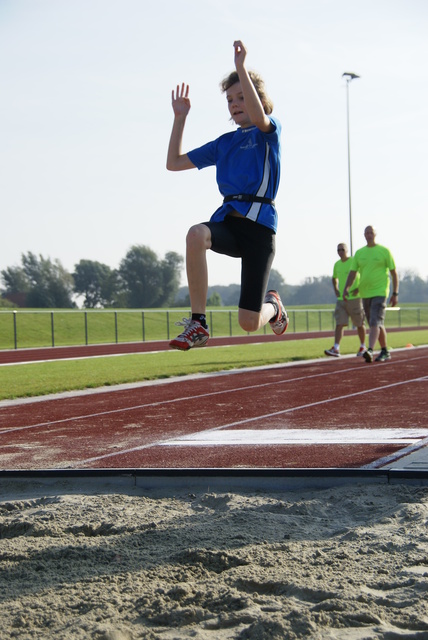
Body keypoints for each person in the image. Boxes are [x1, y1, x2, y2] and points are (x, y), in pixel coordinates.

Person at [166, 40, 288, 351]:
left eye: (241, 97)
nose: (234, 104)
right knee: (196, 234)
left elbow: (261, 118)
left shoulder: (268, 132)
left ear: (257, 100)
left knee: (248, 323)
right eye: (230, 99)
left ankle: (272, 305)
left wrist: (241, 68)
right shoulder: (224, 143)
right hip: (230, 224)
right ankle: (198, 323)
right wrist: (180, 118)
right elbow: (174, 163)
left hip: (259, 230)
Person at [343, 226, 399, 363]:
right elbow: (352, 272)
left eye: (371, 232)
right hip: (365, 293)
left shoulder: (384, 251)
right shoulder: (359, 253)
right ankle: (385, 350)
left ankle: (370, 350)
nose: (368, 235)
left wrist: (395, 293)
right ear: (364, 235)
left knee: (375, 321)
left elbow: (393, 273)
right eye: (366, 233)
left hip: (380, 292)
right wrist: (347, 288)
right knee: (376, 323)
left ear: (375, 234)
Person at [324, 242, 366, 358]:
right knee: (339, 323)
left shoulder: (353, 261)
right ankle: (336, 348)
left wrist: (359, 288)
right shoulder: (337, 264)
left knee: (359, 323)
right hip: (341, 299)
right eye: (338, 250)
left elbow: (363, 275)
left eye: (342, 249)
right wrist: (336, 289)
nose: (340, 252)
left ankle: (363, 346)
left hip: (354, 298)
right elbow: (334, 278)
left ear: (347, 250)